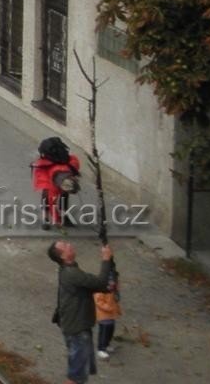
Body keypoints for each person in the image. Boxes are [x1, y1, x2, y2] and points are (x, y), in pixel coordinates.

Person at [49, 239, 115, 384]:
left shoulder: (69, 269)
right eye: (65, 246)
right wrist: (106, 259)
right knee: (76, 377)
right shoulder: (72, 273)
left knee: (79, 372)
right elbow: (99, 283)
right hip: (78, 330)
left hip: (75, 326)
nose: (70, 245)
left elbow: (93, 286)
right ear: (63, 256)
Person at [33, 135, 84, 228]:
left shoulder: (66, 166)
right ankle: (47, 219)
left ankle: (56, 219)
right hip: (49, 181)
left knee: (56, 198)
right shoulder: (69, 163)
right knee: (48, 199)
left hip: (59, 178)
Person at [94, 267, 121, 358]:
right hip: (103, 315)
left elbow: (115, 300)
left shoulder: (113, 290)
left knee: (110, 331)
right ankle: (101, 348)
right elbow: (98, 301)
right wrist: (108, 307)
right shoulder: (101, 289)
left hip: (111, 315)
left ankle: (106, 344)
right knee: (104, 332)